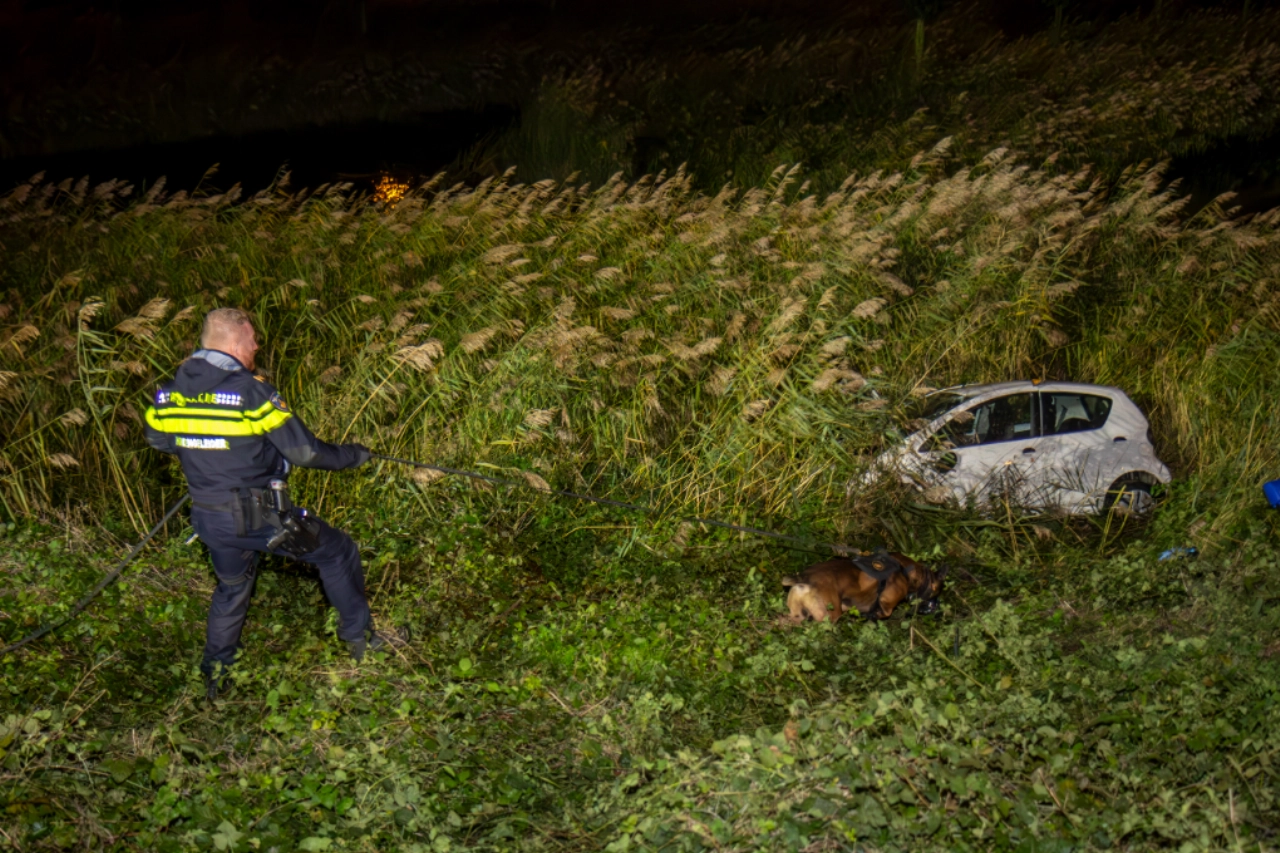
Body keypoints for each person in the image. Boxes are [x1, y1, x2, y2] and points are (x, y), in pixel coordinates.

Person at [144, 307, 384, 701]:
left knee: (232, 587)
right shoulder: (252, 392)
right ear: (235, 341)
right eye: (253, 339)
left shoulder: (169, 392)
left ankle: (215, 677)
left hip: (208, 518)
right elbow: (306, 452)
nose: (256, 346)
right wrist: (353, 456)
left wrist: (207, 455)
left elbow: (159, 440)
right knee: (338, 552)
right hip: (259, 517)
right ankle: (362, 642)